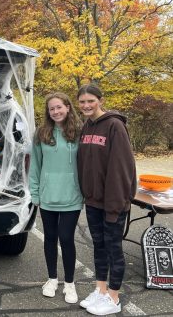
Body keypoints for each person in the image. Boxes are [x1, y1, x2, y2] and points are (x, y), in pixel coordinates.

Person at [77, 84, 136, 316]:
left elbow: (122, 169)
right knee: (99, 247)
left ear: (100, 100)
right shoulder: (87, 126)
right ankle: (100, 290)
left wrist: (115, 205)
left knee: (113, 249)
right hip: (93, 201)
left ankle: (113, 297)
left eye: (91, 100)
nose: (86, 105)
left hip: (112, 203)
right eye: (82, 102)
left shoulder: (115, 125)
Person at [29, 92, 83, 304]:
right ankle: (52, 279)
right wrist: (35, 192)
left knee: (67, 238)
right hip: (48, 195)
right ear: (48, 112)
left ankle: (69, 283)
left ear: (68, 107)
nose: (56, 111)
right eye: (51, 109)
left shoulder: (80, 132)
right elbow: (35, 166)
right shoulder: (42, 133)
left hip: (72, 195)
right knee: (50, 238)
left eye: (59, 107)